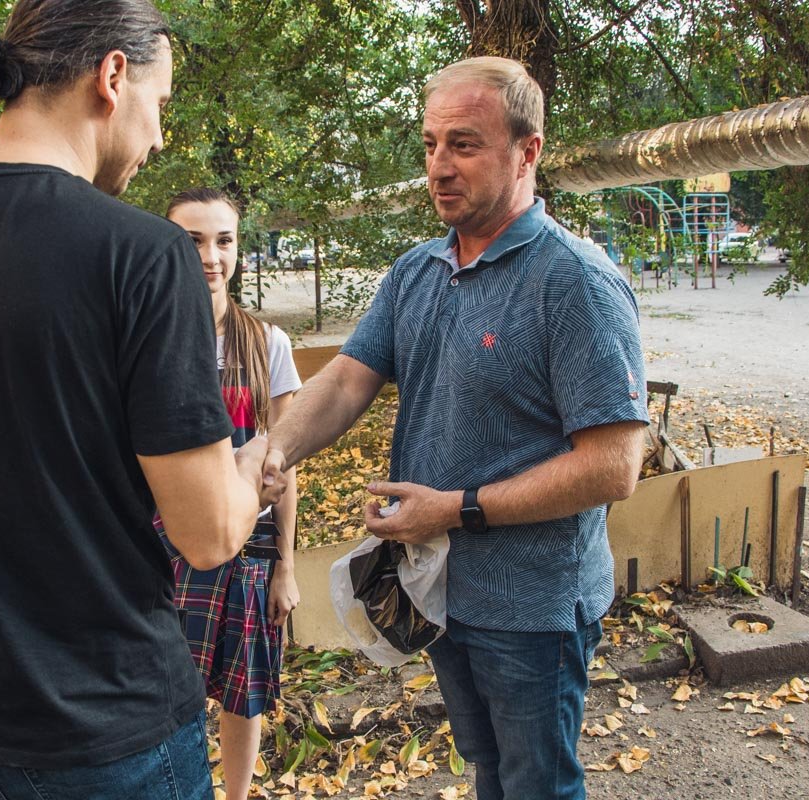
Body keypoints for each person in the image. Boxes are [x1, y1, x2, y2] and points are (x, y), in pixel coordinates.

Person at [0, 2, 268, 798]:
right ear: (112, 76)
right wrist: (268, 450)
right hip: (103, 729)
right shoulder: (142, 254)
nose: (159, 136)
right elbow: (209, 535)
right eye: (159, 107)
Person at [259, 57, 649, 800]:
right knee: (489, 770)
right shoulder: (419, 268)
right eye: (431, 144)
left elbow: (613, 465)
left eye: (463, 144)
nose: (439, 166)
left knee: (540, 784)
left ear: (527, 151)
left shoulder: (575, 281)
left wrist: (457, 508)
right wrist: (273, 447)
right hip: (439, 589)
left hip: (531, 606)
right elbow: (347, 378)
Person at [162, 188, 302, 800]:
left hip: (249, 550)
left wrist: (286, 566)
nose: (210, 256)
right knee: (173, 690)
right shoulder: (150, 339)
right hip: (166, 548)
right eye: (192, 240)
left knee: (243, 695)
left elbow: (286, 458)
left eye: (223, 240)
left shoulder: (267, 343)